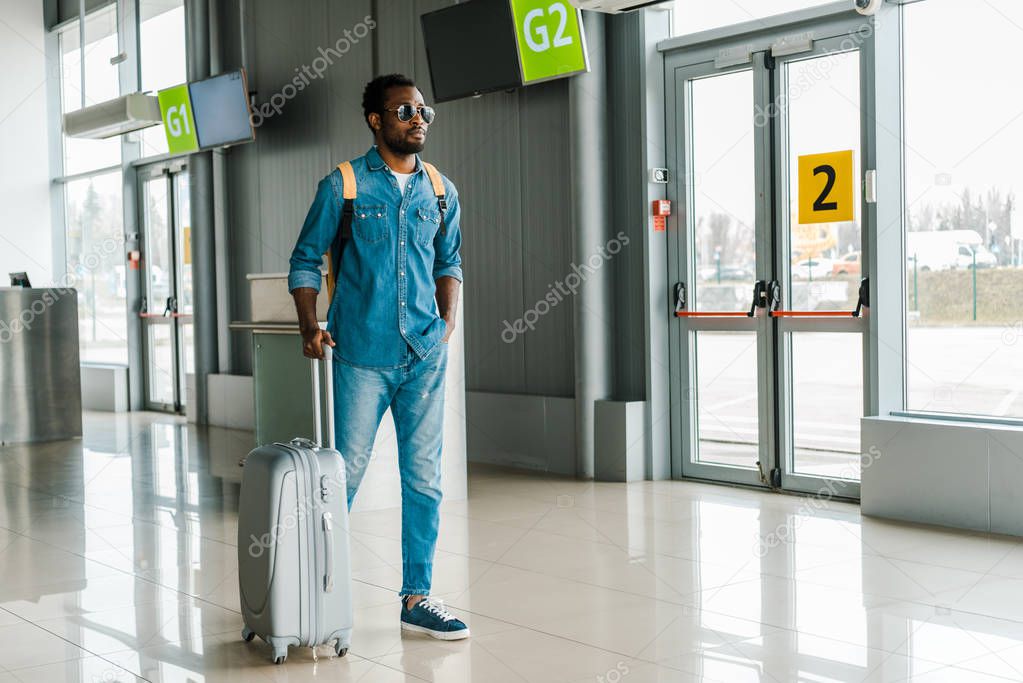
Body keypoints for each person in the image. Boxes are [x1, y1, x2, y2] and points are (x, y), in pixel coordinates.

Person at [287, 73, 468, 640]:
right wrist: (309, 324)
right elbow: (303, 260)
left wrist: (446, 324)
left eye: (422, 112)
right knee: (343, 477)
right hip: (361, 355)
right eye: (404, 111)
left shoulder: (441, 189)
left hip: (424, 357)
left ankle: (417, 596)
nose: (417, 120)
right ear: (376, 120)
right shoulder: (343, 186)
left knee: (424, 479)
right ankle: (311, 590)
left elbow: (450, 261)